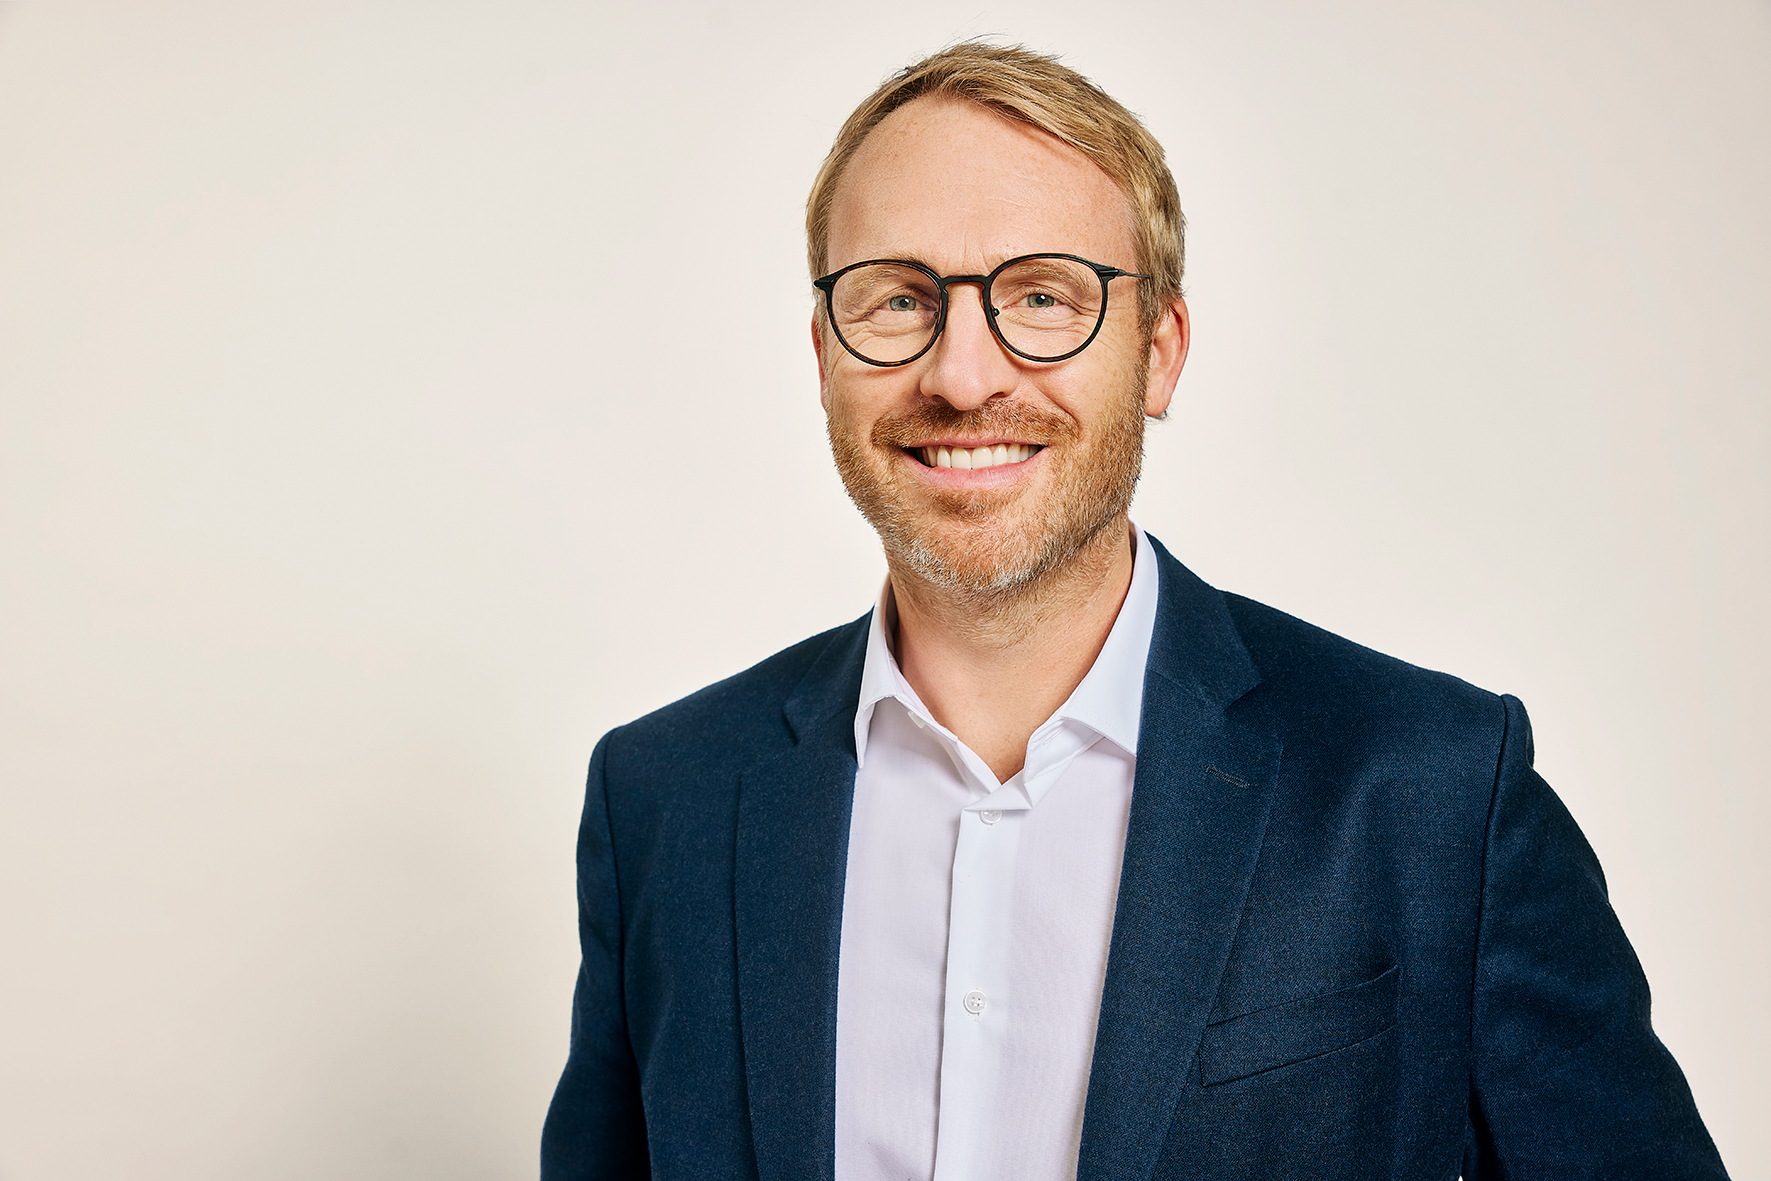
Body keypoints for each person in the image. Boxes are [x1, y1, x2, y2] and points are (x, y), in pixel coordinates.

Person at [540, 42, 1728, 1181]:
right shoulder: (663, 799)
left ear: (1159, 351)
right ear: (821, 355)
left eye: (1042, 296)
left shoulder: (1430, 788)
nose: (962, 375)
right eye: (897, 299)